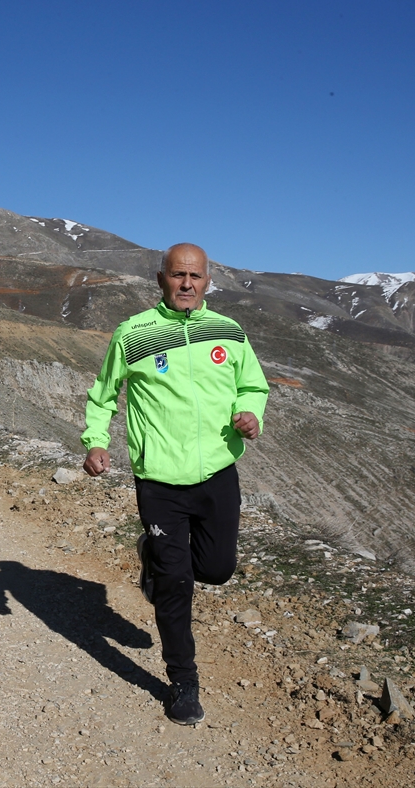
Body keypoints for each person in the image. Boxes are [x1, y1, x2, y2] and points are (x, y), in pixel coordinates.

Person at [81, 243, 268, 726]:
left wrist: (252, 415)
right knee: (176, 583)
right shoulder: (133, 333)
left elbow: (252, 385)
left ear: (209, 281)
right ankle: (183, 682)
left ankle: (153, 556)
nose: (187, 284)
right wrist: (96, 441)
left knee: (217, 570)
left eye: (196, 276)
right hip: (160, 480)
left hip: (218, 473)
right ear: (160, 278)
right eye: (178, 275)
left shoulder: (228, 331)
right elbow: (104, 394)